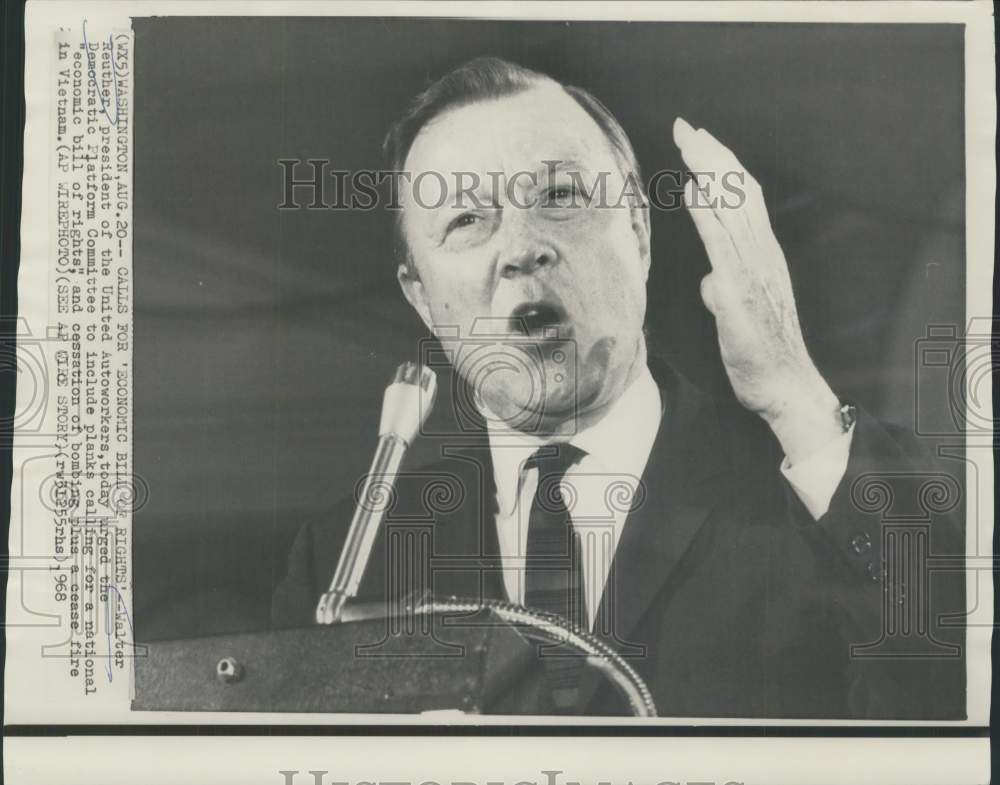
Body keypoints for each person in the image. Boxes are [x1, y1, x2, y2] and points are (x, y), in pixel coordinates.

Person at [273, 57, 965, 718]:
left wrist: (790, 387)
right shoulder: (345, 565)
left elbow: (952, 697)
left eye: (560, 196)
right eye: (466, 220)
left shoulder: (817, 497)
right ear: (423, 299)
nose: (521, 248)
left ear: (637, 229)